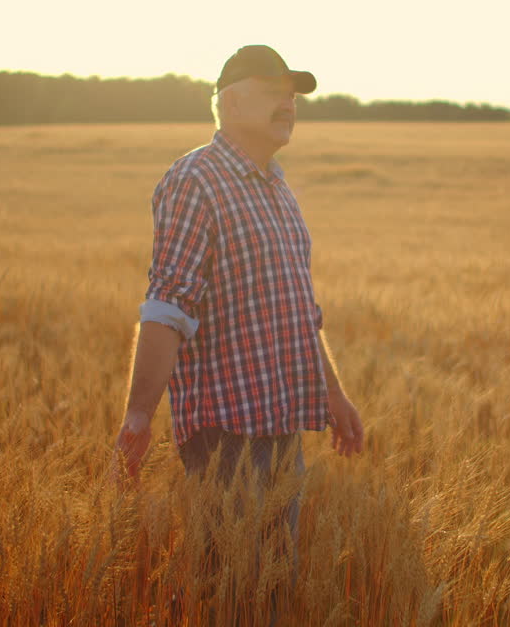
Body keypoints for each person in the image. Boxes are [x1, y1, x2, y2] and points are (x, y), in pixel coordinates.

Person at [111, 45, 364, 619]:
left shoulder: (275, 187)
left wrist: (333, 392)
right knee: (222, 591)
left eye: (294, 94)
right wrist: (138, 415)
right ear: (231, 100)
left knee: (269, 595)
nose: (290, 103)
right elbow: (167, 305)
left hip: (282, 429)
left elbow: (299, 310)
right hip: (227, 435)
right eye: (276, 89)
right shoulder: (196, 179)